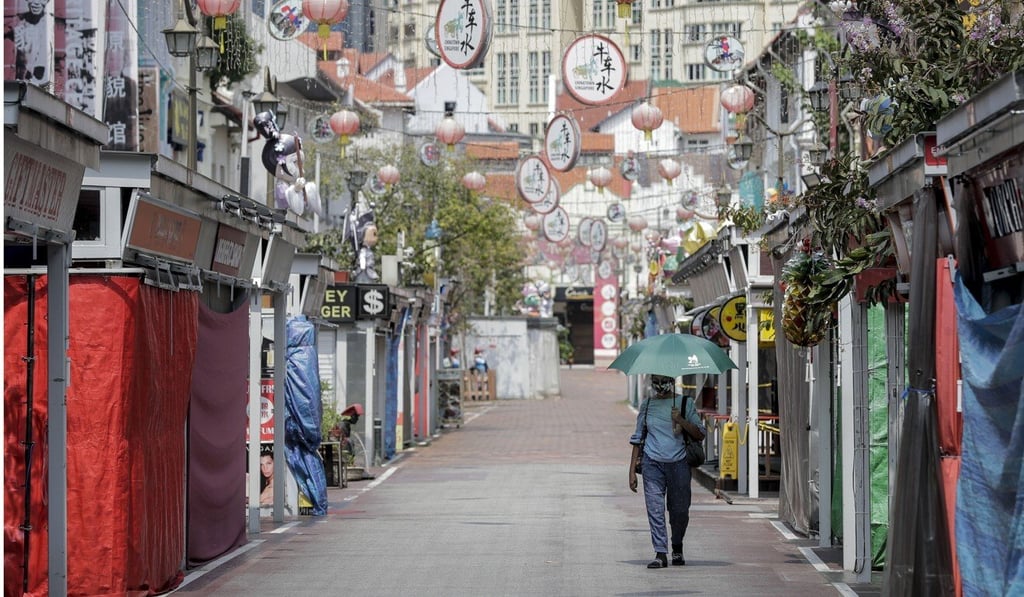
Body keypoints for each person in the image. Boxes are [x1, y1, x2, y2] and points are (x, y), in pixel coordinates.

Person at [628, 374, 706, 568]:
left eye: (664, 380)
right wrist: (631, 471)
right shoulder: (647, 406)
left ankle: (677, 546)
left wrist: (680, 419)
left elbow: (700, 433)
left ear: (672, 381)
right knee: (655, 509)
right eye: (656, 380)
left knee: (679, 511)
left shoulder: (684, 403)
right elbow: (638, 438)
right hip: (652, 464)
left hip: (679, 464)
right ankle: (660, 553)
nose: (660, 385)